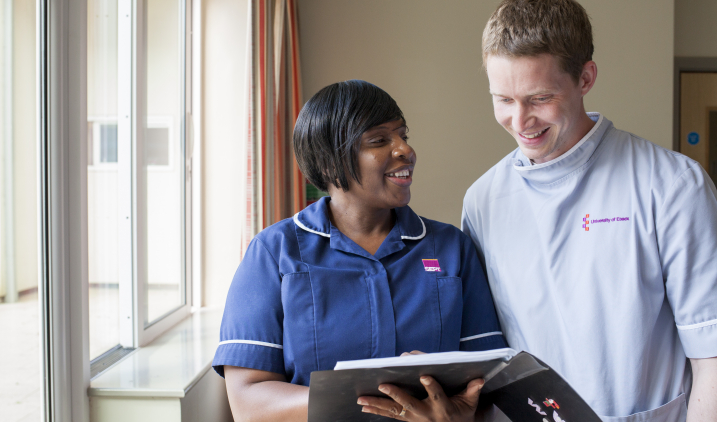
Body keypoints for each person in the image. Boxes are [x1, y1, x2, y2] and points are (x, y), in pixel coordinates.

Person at [459, 1, 717, 421]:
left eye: (540, 98)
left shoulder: (671, 185)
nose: (520, 120)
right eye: (503, 99)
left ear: (585, 77)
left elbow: (712, 356)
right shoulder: (483, 200)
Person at [212, 80, 507, 421]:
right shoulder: (273, 253)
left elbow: (488, 384)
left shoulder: (452, 249)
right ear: (328, 164)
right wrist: (385, 396)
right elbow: (249, 403)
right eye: (379, 140)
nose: (404, 150)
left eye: (403, 135)